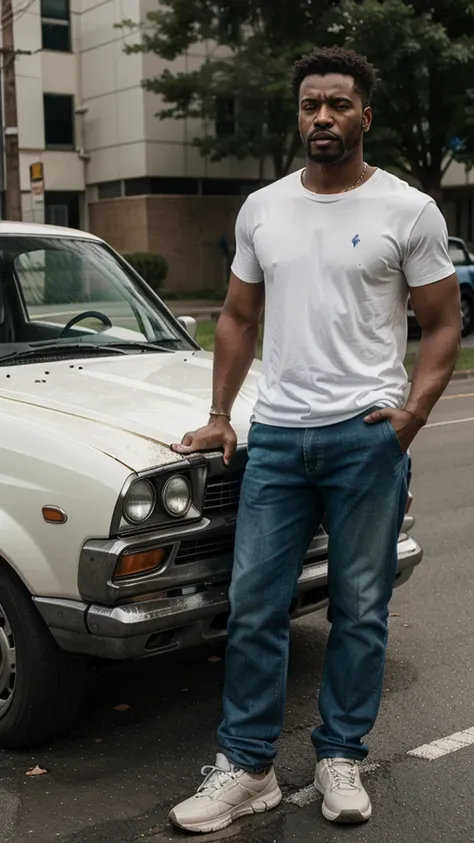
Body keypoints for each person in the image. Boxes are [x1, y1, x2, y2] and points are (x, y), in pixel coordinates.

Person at [168, 46, 461, 834]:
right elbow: (235, 315)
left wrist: (412, 415)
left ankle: (341, 754)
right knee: (255, 606)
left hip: (366, 439)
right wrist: (223, 413)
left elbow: (441, 323)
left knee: (360, 609)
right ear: (297, 114)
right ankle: (248, 767)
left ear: (365, 114)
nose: (322, 117)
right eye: (309, 104)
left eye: (337, 103)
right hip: (278, 439)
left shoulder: (409, 209)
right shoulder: (263, 207)